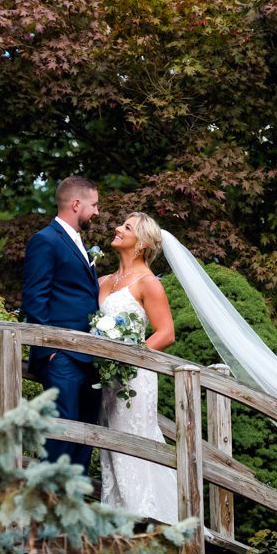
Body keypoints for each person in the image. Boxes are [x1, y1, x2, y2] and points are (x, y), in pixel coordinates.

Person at [97, 212, 178, 524]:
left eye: (126, 227)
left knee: (134, 435)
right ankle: (115, 512)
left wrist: (128, 357)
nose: (117, 228)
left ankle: (144, 513)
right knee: (109, 439)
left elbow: (165, 333)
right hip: (105, 379)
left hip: (133, 377)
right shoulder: (103, 280)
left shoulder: (148, 283)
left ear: (142, 243)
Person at [21, 176, 101, 471]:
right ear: (76, 204)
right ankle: (50, 507)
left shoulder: (80, 243)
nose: (97, 212)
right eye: (94, 205)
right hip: (62, 358)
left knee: (85, 437)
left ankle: (74, 507)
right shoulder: (45, 240)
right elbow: (34, 298)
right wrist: (51, 350)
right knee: (60, 436)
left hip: (89, 357)